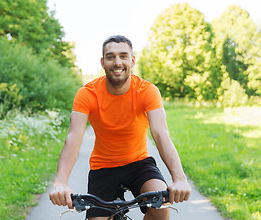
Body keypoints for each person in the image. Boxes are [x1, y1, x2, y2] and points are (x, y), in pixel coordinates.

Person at [49, 35, 191, 220]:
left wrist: (180, 179)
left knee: (162, 206)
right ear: (102, 62)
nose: (117, 62)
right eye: (111, 57)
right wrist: (60, 182)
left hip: (139, 164)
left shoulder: (147, 91)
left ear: (132, 60)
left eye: (123, 56)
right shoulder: (87, 94)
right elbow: (73, 138)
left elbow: (161, 134)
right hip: (103, 167)